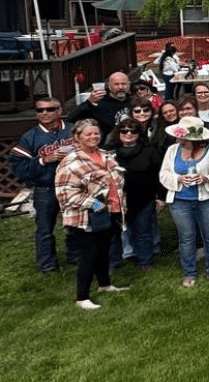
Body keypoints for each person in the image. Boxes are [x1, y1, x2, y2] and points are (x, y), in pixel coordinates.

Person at [55, 119, 129, 309]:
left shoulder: (105, 155)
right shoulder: (71, 161)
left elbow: (116, 181)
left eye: (96, 133)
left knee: (103, 251)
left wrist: (120, 204)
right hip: (85, 217)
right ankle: (82, 298)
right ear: (77, 138)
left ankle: (105, 285)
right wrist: (95, 203)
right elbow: (66, 193)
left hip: (110, 213)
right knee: (89, 256)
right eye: (88, 134)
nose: (94, 137)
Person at [10, 95, 74, 273]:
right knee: (45, 229)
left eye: (49, 109)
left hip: (72, 187)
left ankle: (75, 256)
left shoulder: (72, 130)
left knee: (76, 223)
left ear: (59, 111)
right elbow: (18, 167)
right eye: (40, 110)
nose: (44, 113)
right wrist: (43, 161)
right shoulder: (30, 137)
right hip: (45, 189)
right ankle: (47, 264)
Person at [159, 117, 209, 286]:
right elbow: (164, 174)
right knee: (186, 238)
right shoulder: (173, 150)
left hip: (207, 200)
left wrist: (206, 178)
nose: (176, 137)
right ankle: (189, 273)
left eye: (180, 135)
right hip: (180, 201)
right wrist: (178, 178)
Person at [104, 118, 164, 272]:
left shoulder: (149, 151)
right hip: (115, 201)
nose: (128, 133)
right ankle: (112, 264)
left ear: (140, 133)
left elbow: (159, 175)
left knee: (143, 233)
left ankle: (145, 263)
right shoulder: (109, 152)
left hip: (143, 199)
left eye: (133, 131)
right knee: (113, 234)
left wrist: (160, 197)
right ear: (119, 133)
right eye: (124, 130)